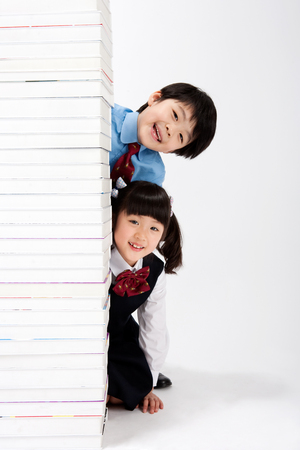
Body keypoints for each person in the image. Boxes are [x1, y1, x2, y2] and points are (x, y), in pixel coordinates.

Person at [106, 180, 183, 413]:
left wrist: (148, 382)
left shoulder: (154, 270)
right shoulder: (97, 259)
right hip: (83, 337)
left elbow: (154, 325)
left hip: (118, 336)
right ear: (115, 216)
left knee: (136, 387)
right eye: (134, 221)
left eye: (153, 228)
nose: (141, 235)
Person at [110, 82, 217, 187]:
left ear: (171, 150)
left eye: (181, 137)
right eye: (175, 115)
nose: (171, 130)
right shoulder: (104, 113)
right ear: (155, 98)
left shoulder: (153, 176)